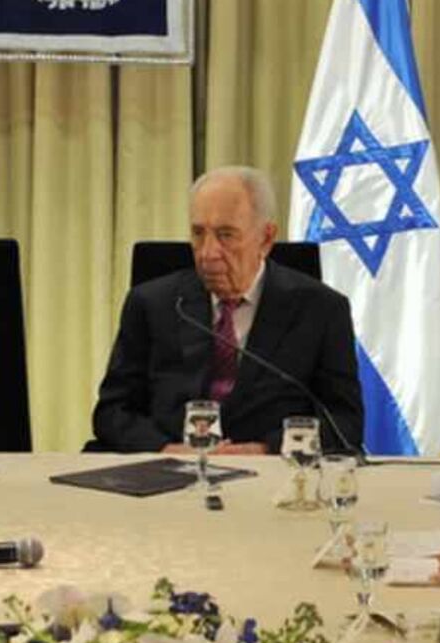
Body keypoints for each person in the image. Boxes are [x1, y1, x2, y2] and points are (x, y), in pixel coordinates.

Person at [89, 166, 363, 453]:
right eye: (198, 233)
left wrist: (264, 449)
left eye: (226, 235)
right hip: (168, 474)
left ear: (266, 238)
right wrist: (165, 449)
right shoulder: (152, 304)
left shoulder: (321, 310)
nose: (208, 253)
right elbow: (111, 413)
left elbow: (345, 421)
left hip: (272, 478)